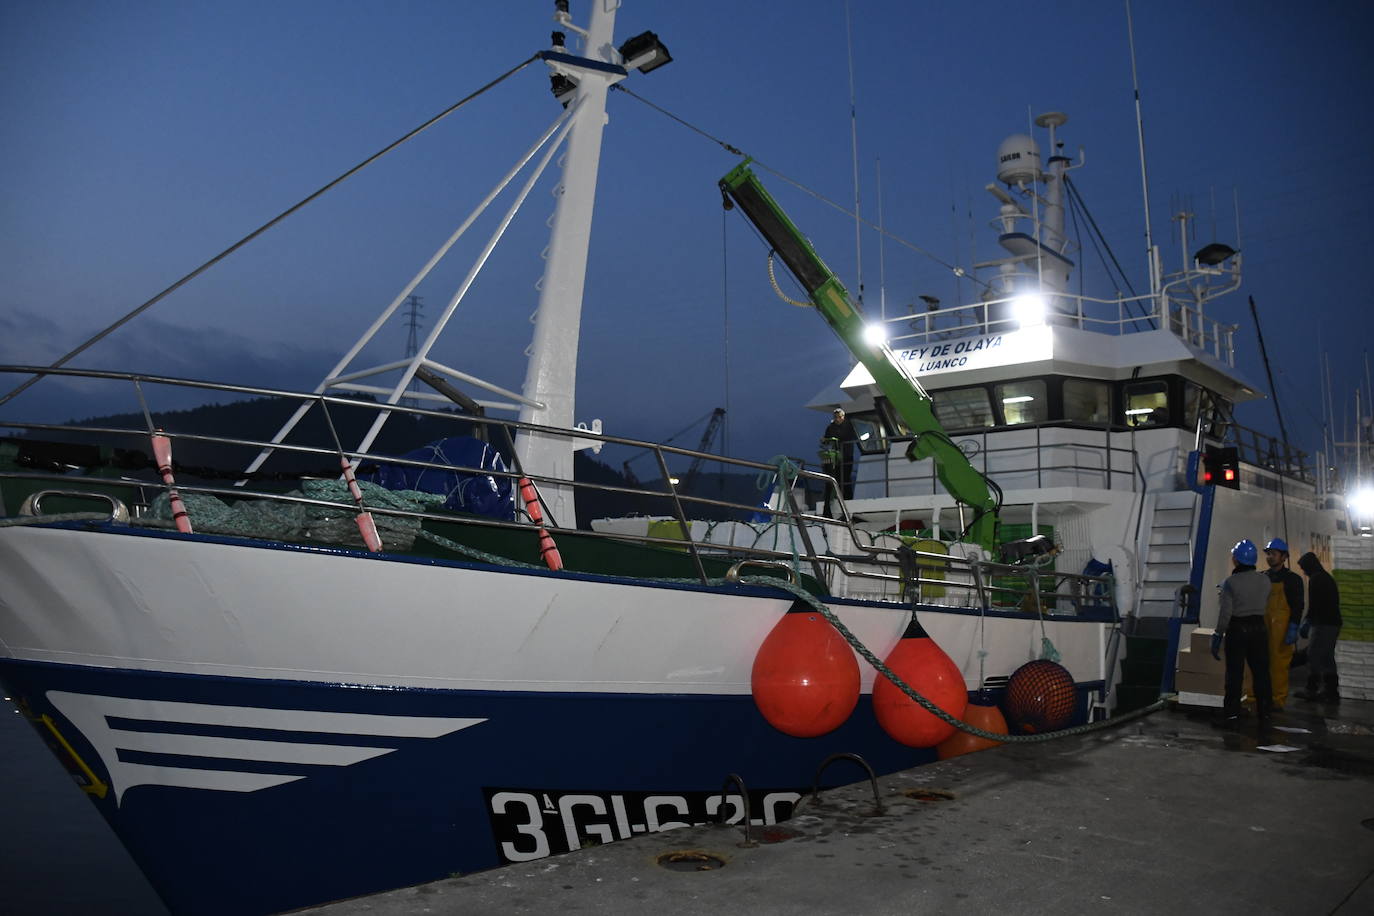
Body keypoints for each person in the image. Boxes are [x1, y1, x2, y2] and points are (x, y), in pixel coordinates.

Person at [1211, 539, 1273, 723]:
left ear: (1236, 560)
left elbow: (1225, 614)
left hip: (1238, 629)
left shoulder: (1230, 583)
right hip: (1260, 629)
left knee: (1234, 674)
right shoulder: (1265, 579)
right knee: (1262, 673)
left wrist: (1217, 634)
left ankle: (1231, 715)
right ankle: (1265, 713)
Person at [1260, 537, 1304, 709]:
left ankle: (1278, 699)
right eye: (1268, 554)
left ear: (1284, 557)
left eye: (1274, 554)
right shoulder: (1262, 577)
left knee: (1279, 665)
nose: (1270, 557)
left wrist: (1294, 626)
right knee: (1260, 663)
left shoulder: (1293, 580)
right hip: (1263, 627)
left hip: (1282, 629)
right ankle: (1257, 696)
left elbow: (1298, 605)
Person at [1296, 551, 1342, 703]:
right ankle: (1331, 690)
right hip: (1334, 622)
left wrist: (1307, 621)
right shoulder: (1327, 577)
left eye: (1303, 568)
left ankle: (1311, 688)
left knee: (1313, 655)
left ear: (1309, 566)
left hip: (1323, 623)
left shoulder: (1315, 579)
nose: (1303, 571)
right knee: (1328, 657)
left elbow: (1314, 604)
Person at [820, 408, 856, 516]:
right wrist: (825, 440)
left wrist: (837, 439)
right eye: (835, 417)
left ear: (843, 417)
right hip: (835, 458)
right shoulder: (831, 427)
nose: (837, 419)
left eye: (839, 417)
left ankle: (847, 499)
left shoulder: (849, 426)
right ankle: (831, 502)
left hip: (847, 455)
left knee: (845, 478)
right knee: (833, 480)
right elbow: (826, 439)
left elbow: (849, 437)